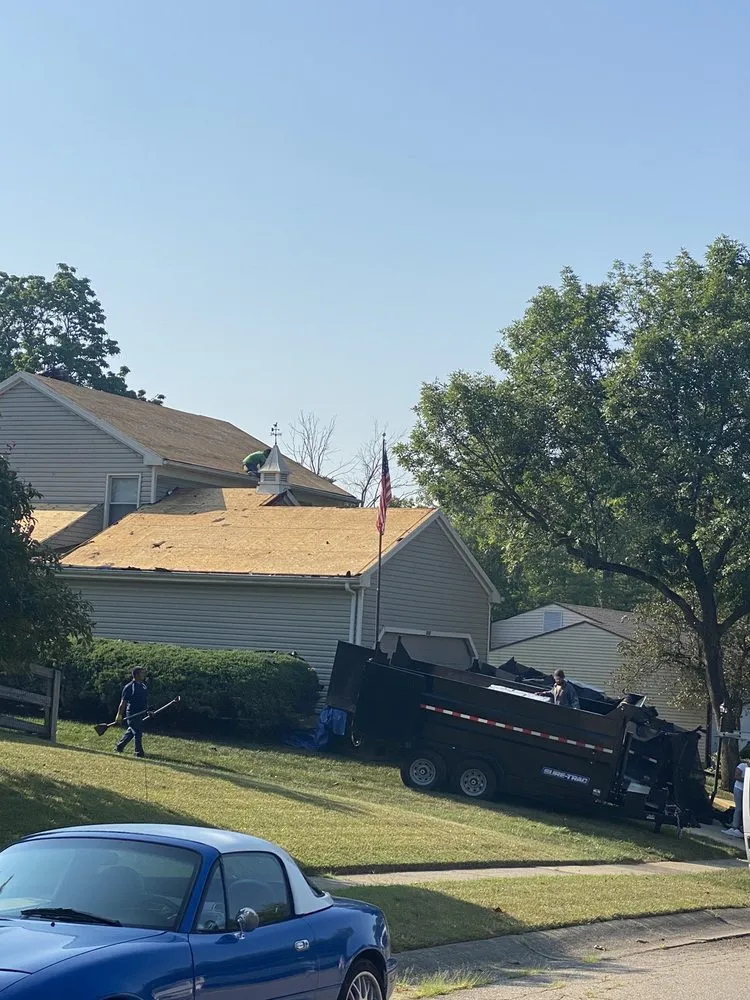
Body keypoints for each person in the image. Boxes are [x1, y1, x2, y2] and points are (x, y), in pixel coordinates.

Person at [115, 667, 149, 758]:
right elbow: (123, 702)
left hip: (140, 712)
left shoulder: (143, 686)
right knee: (137, 731)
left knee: (131, 730)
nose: (144, 675)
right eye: (142, 673)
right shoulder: (129, 687)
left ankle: (119, 746)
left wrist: (148, 711)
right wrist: (119, 715)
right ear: (136, 675)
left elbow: (145, 700)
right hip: (132, 713)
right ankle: (138, 752)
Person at [721, 760, 747, 839]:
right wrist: (746, 778)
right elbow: (736, 776)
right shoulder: (743, 765)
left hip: (746, 790)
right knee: (738, 808)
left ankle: (741, 826)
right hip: (738, 788)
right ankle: (734, 827)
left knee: (744, 809)